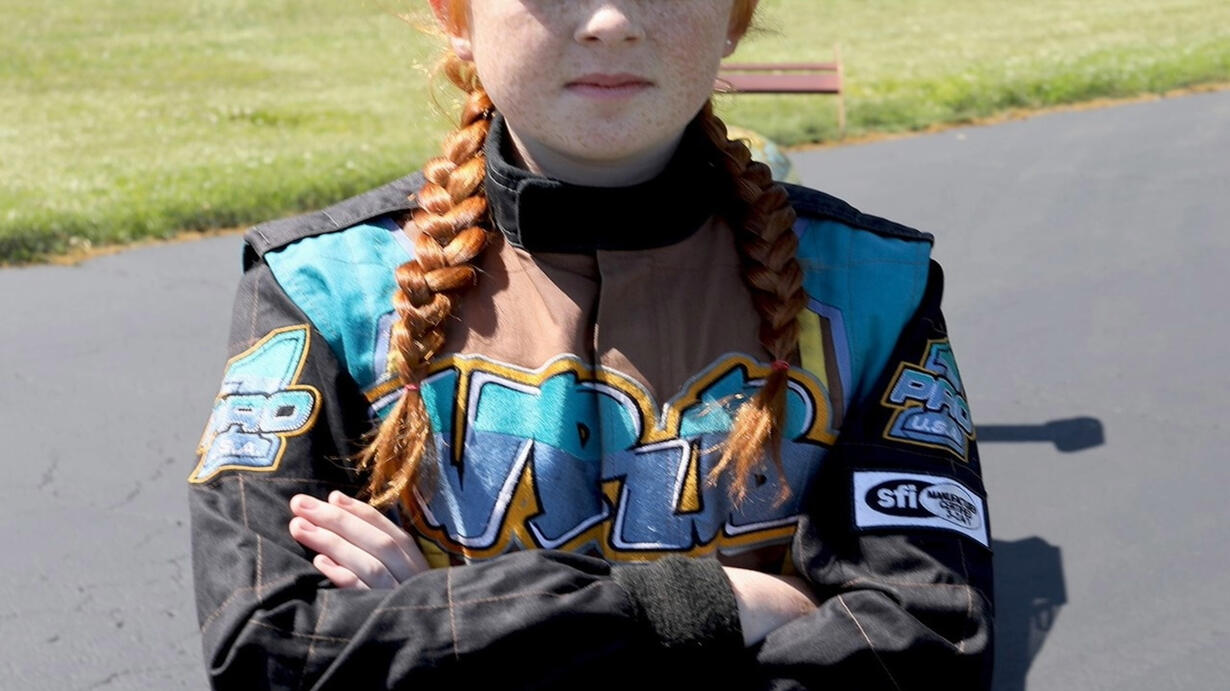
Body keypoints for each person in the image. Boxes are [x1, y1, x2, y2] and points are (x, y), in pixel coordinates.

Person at [187, 0, 994, 688]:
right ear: (455, 14)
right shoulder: (322, 287)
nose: (610, 21)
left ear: (735, 17)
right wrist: (717, 606)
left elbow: (929, 648)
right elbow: (270, 649)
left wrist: (447, 619)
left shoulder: (872, 288)